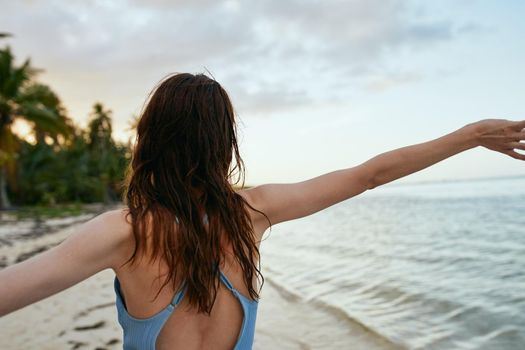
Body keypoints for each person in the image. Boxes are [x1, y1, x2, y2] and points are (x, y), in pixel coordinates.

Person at [0, 72, 524, 350]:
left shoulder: (126, 231)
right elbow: (371, 174)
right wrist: (472, 136)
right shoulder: (253, 212)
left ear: (149, 140)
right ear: (224, 143)